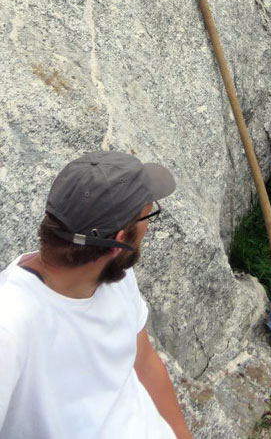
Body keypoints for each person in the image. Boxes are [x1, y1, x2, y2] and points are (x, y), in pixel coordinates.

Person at [0, 150, 193, 439]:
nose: (148, 228)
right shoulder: (11, 324)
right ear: (118, 242)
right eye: (147, 216)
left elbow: (144, 362)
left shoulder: (115, 274)